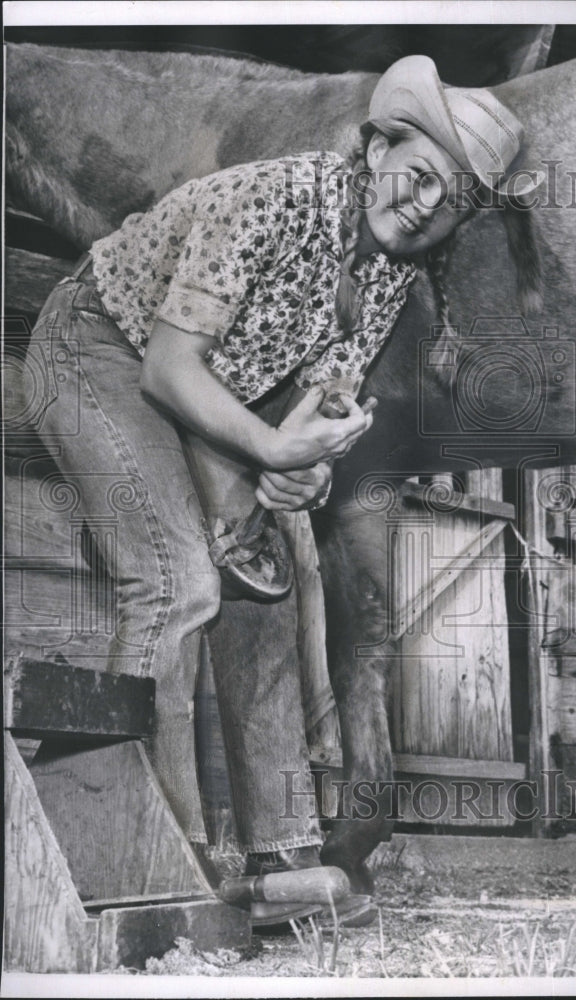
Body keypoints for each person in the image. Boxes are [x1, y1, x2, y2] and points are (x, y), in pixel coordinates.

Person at [26, 55, 541, 928]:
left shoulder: (386, 270)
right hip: (100, 350)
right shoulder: (271, 198)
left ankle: (280, 859)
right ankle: (152, 862)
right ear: (380, 144)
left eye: (445, 201)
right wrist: (267, 445)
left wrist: (304, 464)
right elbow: (166, 365)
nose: (420, 205)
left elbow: (314, 399)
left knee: (266, 581)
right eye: (416, 176)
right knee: (177, 582)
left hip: (213, 389)